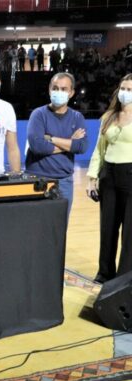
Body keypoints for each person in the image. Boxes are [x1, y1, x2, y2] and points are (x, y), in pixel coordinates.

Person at [87, 73, 132, 284]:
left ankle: (124, 277)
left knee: (129, 232)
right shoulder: (108, 117)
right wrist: (92, 177)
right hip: (109, 176)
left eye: (130, 90)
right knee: (108, 227)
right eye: (123, 88)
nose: (125, 93)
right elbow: (98, 149)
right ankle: (104, 273)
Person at [25, 72, 88, 219]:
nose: (59, 92)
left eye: (64, 89)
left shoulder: (77, 117)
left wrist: (50, 138)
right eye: (55, 88)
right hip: (37, 180)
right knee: (34, 230)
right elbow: (37, 146)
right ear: (49, 89)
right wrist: (69, 141)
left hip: (64, 182)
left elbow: (82, 146)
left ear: (71, 93)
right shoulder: (38, 114)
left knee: (59, 232)